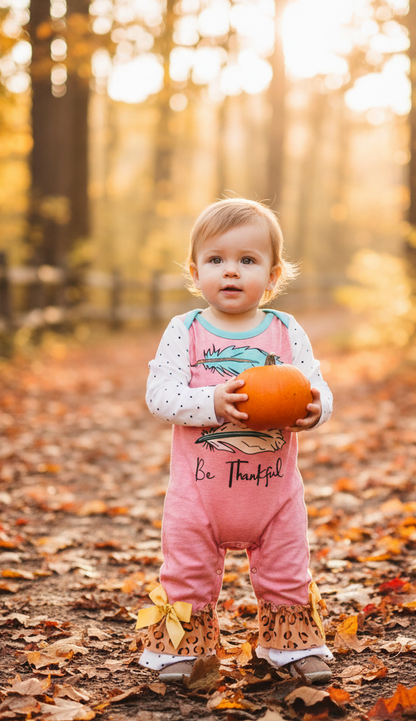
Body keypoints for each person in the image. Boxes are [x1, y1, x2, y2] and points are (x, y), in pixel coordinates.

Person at [137, 197, 333, 684]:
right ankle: (182, 650)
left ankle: (292, 645)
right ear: (195, 269)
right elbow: (160, 396)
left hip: (274, 493)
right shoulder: (185, 330)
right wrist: (212, 403)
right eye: (216, 259)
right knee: (187, 569)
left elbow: (315, 383)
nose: (231, 271)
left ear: (272, 274)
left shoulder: (287, 331)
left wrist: (316, 408)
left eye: (247, 260)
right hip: (200, 493)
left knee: (288, 568)